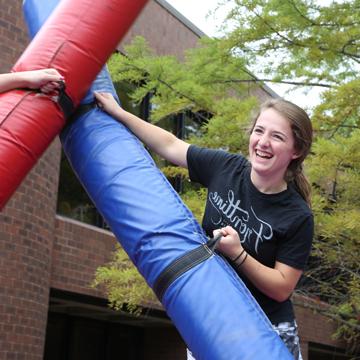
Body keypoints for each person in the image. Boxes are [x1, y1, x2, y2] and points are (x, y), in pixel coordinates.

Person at [94, 91, 314, 360]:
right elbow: (171, 145)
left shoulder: (298, 215)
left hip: (267, 330)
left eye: (277, 137)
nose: (263, 143)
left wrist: (238, 253)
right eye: (259, 131)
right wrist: (119, 112)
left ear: (296, 151)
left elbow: (281, 288)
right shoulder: (227, 167)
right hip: (213, 313)